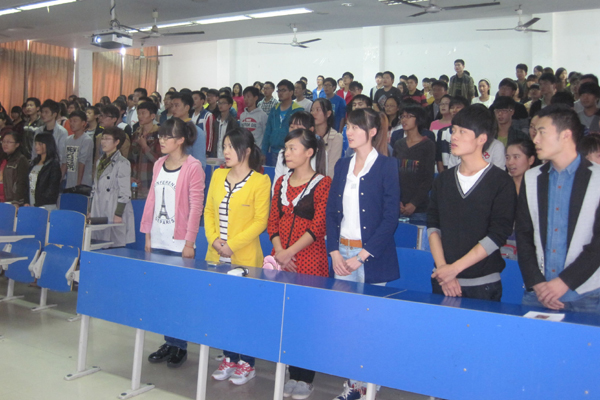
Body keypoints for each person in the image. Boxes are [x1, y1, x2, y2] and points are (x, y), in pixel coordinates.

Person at [326, 107, 400, 400]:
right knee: (346, 322)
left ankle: (368, 381)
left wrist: (361, 256)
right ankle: (353, 383)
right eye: (348, 127)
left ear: (372, 132)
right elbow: (333, 213)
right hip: (342, 251)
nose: (350, 132)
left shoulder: (386, 166)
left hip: (371, 256)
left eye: (356, 127)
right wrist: (334, 251)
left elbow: (390, 218)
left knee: (369, 323)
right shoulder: (342, 165)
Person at [428, 104, 517, 302]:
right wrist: (443, 269)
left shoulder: (501, 182)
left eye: (462, 132)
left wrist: (454, 269)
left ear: (481, 139)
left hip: (482, 284)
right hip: (442, 279)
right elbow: (433, 225)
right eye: (453, 131)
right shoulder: (443, 180)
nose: (454, 137)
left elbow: (498, 234)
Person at [516, 104, 600, 314]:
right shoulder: (531, 178)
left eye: (542, 132)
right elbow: (524, 235)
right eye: (535, 132)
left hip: (586, 295)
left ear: (565, 135)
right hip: (538, 293)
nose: (535, 139)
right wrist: (537, 283)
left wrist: (564, 282)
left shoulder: (597, 178)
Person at [269, 128, 331, 399]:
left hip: (310, 261)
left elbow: (319, 226)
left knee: (308, 320)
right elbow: (273, 221)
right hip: (282, 260)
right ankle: (291, 372)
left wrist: (290, 251)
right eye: (286, 148)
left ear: (309, 152)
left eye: (293, 148)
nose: (287, 153)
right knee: (287, 319)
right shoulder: (281, 182)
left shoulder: (323, 183)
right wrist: (280, 251)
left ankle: (305, 378)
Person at [205, 128, 270, 385]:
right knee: (223, 309)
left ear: (247, 151)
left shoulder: (260, 181)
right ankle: (230, 358)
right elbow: (208, 211)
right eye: (224, 146)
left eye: (232, 147)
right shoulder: (217, 175)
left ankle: (247, 363)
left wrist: (231, 245)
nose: (226, 151)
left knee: (245, 311)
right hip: (216, 256)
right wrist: (214, 239)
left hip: (244, 258)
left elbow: (260, 221)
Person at [144, 117, 205, 368]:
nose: (161, 140)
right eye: (160, 135)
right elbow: (151, 199)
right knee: (163, 295)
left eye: (166, 136)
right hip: (158, 237)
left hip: (179, 242)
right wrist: (148, 234)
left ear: (180, 140)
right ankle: (168, 342)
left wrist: (189, 242)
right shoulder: (159, 164)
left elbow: (196, 207)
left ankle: (180, 345)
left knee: (179, 296)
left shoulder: (193, 167)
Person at [90, 127, 135, 248]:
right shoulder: (100, 161)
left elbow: (125, 192)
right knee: (98, 241)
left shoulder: (122, 162)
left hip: (113, 205)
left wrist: (118, 214)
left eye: (107, 139)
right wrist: (90, 210)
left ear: (117, 142)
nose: (103, 142)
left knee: (113, 243)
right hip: (98, 204)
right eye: (102, 138)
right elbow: (94, 188)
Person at [393, 105, 435, 225]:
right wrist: (397, 200)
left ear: (418, 119)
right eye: (402, 116)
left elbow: (428, 178)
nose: (404, 120)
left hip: (420, 208)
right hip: (398, 205)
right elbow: (393, 175)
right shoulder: (398, 144)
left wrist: (414, 203)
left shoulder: (428, 145)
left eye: (408, 116)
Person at [262, 80, 304, 166]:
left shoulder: (298, 110)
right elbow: (268, 132)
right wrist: (263, 152)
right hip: (274, 151)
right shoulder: (274, 110)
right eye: (279, 90)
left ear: (291, 92)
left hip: (292, 151)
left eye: (284, 90)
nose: (280, 93)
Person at [273, 111, 316, 189]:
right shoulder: (282, 153)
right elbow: (276, 184)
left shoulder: (318, 153)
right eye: (292, 127)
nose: (294, 131)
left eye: (299, 128)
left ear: (311, 130)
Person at [129, 102, 161, 198]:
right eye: (138, 113)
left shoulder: (159, 134)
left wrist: (145, 146)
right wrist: (130, 176)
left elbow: (159, 160)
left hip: (152, 182)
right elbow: (130, 159)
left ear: (152, 116)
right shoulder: (136, 134)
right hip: (136, 183)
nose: (140, 116)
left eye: (143, 113)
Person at [25, 133, 61, 209]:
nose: (36, 147)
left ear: (48, 144)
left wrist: (38, 203)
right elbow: (27, 185)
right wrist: (26, 201)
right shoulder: (34, 163)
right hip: (31, 205)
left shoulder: (53, 164)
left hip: (46, 206)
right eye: (36, 144)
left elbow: (52, 189)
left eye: (40, 144)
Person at [171, 93, 206, 167]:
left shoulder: (197, 132)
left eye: (176, 105)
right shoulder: (169, 129)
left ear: (187, 107)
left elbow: (200, 163)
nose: (173, 109)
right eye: (172, 106)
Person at [311, 98, 343, 178]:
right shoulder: (307, 135)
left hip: (326, 181)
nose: (314, 113)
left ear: (328, 113)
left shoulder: (336, 137)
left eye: (318, 110)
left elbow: (332, 168)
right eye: (312, 110)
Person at [64, 110, 94, 191]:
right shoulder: (68, 139)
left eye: (75, 121)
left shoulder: (87, 140)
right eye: (70, 121)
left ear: (83, 123)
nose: (72, 123)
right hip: (69, 182)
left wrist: (78, 183)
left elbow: (82, 162)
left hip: (83, 183)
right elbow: (65, 162)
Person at [1, 131, 29, 206]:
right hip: (3, 200)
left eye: (9, 142)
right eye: (3, 142)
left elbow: (22, 182)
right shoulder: (4, 158)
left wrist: (16, 201)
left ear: (17, 144)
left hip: (13, 201)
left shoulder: (21, 160)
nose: (5, 144)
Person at [211, 94, 239, 159]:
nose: (220, 105)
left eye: (223, 103)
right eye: (219, 103)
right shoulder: (216, 121)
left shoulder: (233, 122)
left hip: (228, 153)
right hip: (216, 154)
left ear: (230, 105)